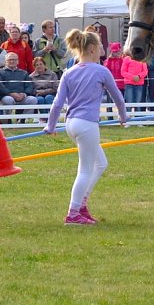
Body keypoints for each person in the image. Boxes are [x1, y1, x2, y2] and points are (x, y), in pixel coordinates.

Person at [43, 28, 128, 226]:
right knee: (85, 170)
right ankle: (73, 213)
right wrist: (123, 117)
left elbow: (57, 104)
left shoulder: (69, 73)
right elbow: (118, 98)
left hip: (72, 123)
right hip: (87, 124)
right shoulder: (101, 71)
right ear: (91, 49)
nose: (102, 49)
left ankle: (81, 205)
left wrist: (51, 126)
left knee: (101, 163)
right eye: (100, 46)